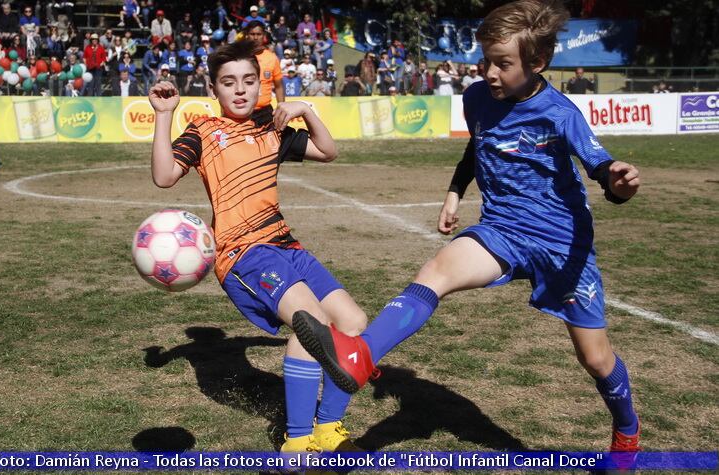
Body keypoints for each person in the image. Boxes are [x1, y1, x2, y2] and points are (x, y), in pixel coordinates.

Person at [290, 0, 644, 456]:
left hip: (562, 245)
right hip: (502, 231)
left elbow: (601, 168)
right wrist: (455, 192)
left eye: (503, 64)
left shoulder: (560, 113)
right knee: (436, 270)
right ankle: (360, 355)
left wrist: (619, 183)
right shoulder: (477, 97)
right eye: (485, 62)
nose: (490, 73)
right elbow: (477, 149)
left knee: (596, 359)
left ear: (537, 63)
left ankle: (627, 433)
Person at [148, 37, 367, 457]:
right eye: (229, 82)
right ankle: (298, 440)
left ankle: (329, 429)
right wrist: (164, 116)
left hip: (287, 246)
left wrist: (306, 111)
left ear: (261, 83)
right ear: (213, 90)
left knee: (352, 322)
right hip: (242, 252)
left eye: (249, 80)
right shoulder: (204, 132)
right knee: (311, 321)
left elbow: (328, 150)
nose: (241, 89)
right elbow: (163, 176)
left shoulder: (272, 128)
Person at [243, 20, 284, 125]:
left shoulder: (272, 58)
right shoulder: (240, 56)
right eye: (252, 34)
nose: (255, 38)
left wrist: (282, 109)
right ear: (247, 35)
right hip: (242, 111)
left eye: (258, 34)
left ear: (263, 36)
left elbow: (279, 86)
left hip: (265, 113)